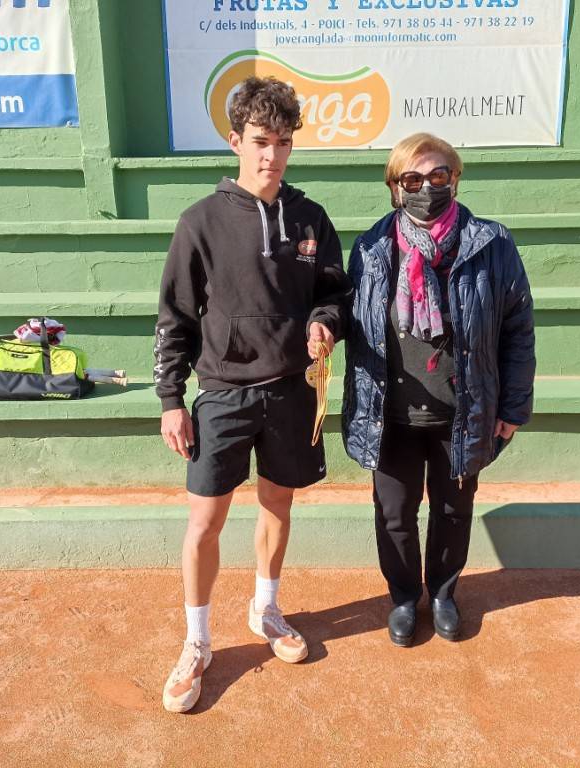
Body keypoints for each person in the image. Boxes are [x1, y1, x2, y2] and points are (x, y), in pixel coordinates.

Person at [154, 76, 352, 713]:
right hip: (222, 394)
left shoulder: (311, 218)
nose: (273, 155)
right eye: (262, 141)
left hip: (292, 391)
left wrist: (324, 322)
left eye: (284, 142)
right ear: (235, 140)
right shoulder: (200, 222)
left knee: (277, 506)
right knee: (205, 523)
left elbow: (335, 293)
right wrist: (171, 399)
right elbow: (175, 317)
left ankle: (266, 608)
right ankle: (197, 641)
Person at [341, 133, 535, 646]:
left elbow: (517, 329)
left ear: (455, 179)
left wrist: (513, 407)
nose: (426, 188)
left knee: (453, 511)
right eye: (412, 179)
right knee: (395, 515)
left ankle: (445, 593)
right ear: (395, 188)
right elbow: (348, 315)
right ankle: (405, 597)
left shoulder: (492, 244)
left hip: (462, 410)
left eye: (438, 175)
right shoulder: (370, 248)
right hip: (390, 412)